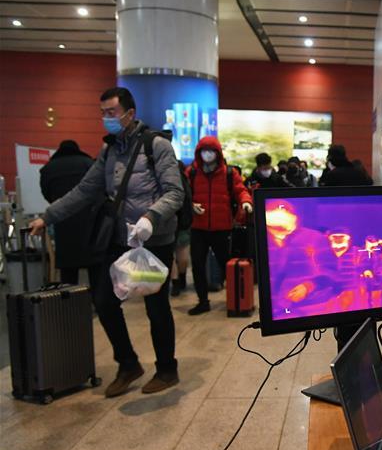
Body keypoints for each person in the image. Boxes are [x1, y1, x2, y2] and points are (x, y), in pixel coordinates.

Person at [29, 86, 185, 396]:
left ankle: (167, 369)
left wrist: (150, 218)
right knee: (104, 300)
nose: (106, 118)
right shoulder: (109, 151)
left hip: (154, 241)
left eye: (111, 112)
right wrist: (48, 217)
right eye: (102, 113)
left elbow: (174, 192)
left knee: (155, 305)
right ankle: (128, 364)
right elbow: (84, 191)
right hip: (120, 238)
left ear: (130, 113)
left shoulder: (157, 146)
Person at [184, 136, 252, 315]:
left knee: (226, 265)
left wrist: (246, 201)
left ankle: (236, 300)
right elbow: (182, 193)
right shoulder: (192, 172)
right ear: (199, 153)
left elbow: (241, 190)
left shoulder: (229, 173)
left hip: (222, 228)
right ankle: (203, 301)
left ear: (218, 153)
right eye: (204, 151)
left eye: (211, 151)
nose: (207, 155)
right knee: (198, 265)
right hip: (198, 227)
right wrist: (190, 205)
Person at [38, 140, 96, 285]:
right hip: (90, 221)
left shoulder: (48, 168)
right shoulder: (88, 163)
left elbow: (46, 193)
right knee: (94, 266)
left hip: (63, 224)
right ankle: (96, 297)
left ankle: (69, 297)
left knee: (68, 270)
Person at [169, 161, 191, 297]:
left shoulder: (183, 179)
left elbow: (188, 200)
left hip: (182, 223)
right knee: (171, 256)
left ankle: (181, 277)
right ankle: (176, 281)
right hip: (167, 223)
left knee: (182, 257)